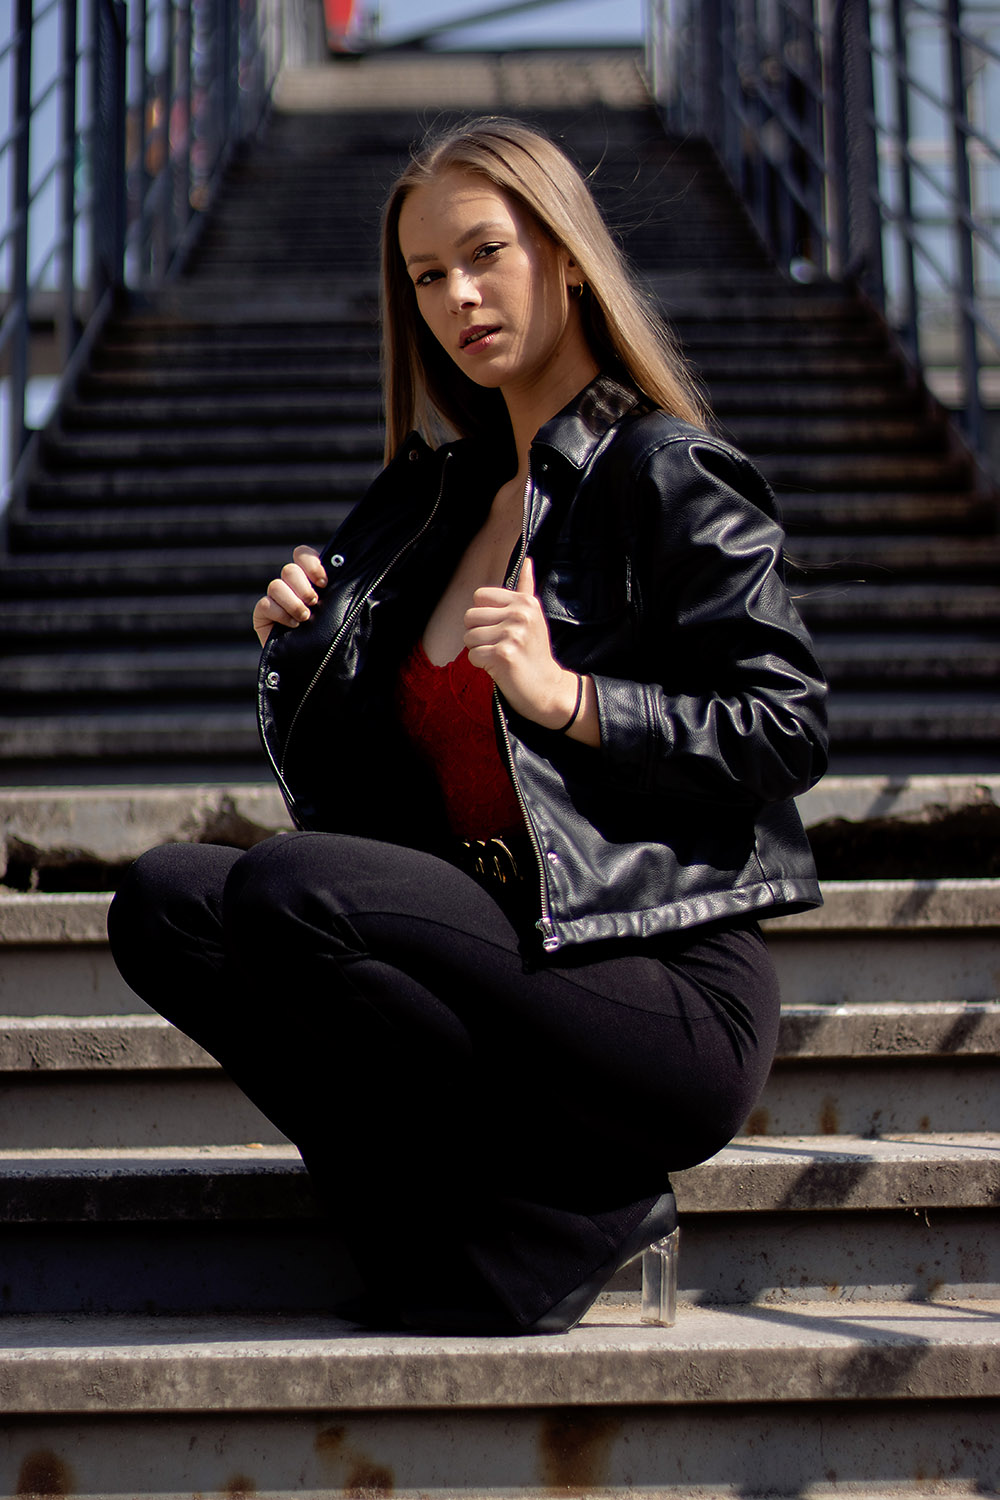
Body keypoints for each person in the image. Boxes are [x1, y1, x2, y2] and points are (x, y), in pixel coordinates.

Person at [108, 117, 828, 1335]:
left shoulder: (664, 472)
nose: (458, 297)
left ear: (567, 257)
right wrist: (307, 650)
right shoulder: (432, 503)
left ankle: (549, 1216)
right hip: (490, 942)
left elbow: (784, 724)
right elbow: (374, 815)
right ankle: (498, 1225)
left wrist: (572, 701)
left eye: (485, 254)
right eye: (427, 275)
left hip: (650, 976)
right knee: (166, 903)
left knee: (288, 889)